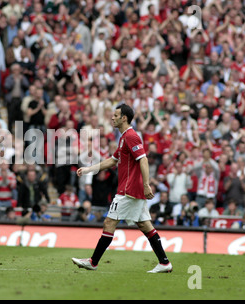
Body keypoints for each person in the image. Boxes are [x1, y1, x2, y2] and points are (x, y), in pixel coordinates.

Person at [72, 104, 172, 273]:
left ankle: (93, 262)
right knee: (145, 225)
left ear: (124, 118)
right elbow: (112, 160)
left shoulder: (132, 136)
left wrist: (146, 184)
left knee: (109, 222)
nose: (112, 118)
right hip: (133, 190)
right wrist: (89, 169)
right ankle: (164, 262)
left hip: (129, 190)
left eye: (116, 115)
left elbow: (143, 160)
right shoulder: (124, 137)